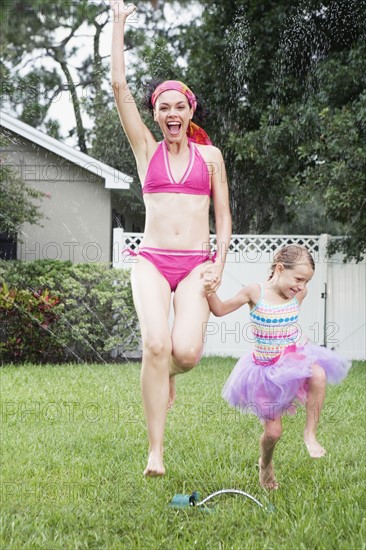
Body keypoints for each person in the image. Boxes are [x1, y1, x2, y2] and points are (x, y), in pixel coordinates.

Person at [110, 1, 232, 477]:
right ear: (156, 116)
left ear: (190, 110)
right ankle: (155, 452)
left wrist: (219, 263)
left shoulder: (212, 157)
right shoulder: (146, 149)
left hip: (197, 265)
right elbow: (120, 88)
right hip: (154, 262)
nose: (172, 113)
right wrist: (118, 26)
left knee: (187, 354)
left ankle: (165, 376)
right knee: (156, 344)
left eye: (180, 106)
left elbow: (223, 216)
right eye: (164, 107)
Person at [204, 245, 351, 490]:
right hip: (266, 372)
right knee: (273, 433)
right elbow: (219, 310)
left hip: (294, 359)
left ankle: (310, 433)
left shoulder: (298, 294)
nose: (302, 287)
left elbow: (289, 324)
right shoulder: (255, 291)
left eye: (306, 281)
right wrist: (208, 290)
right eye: (299, 279)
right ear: (280, 269)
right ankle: (265, 464)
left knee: (318, 374)